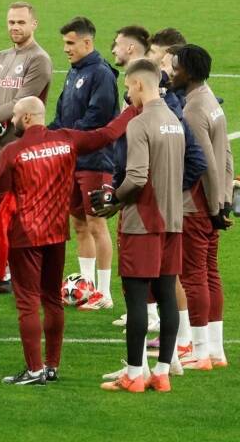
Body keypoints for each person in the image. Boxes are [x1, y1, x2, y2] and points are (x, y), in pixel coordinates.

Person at [0, 96, 135, 386]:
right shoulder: (66, 139)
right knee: (52, 300)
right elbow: (106, 134)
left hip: (25, 236)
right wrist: (132, 110)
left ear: (27, 118)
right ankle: (51, 366)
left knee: (28, 304)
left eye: (15, 115)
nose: (12, 121)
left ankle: (34, 370)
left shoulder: (13, 151)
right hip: (56, 232)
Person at [95, 59, 187, 393]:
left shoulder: (140, 123)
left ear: (137, 84)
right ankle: (161, 373)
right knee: (166, 295)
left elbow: (136, 178)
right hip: (173, 220)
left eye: (129, 88)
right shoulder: (175, 121)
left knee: (136, 299)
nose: (129, 95)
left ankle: (134, 374)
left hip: (144, 222)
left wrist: (113, 200)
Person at [0, 2, 53, 294]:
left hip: (22, 150)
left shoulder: (39, 59)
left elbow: (21, 104)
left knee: (15, 214)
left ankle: (16, 274)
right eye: (11, 22)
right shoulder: (0, 57)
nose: (15, 27)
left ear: (34, 24)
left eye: (21, 22)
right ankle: (3, 272)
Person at [49, 17, 119, 311]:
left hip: (96, 161)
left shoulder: (101, 73)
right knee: (79, 224)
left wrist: (64, 137)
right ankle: (87, 287)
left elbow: (97, 118)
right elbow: (61, 115)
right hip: (73, 161)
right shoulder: (74, 71)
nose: (66, 48)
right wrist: (45, 136)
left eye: (70, 43)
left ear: (87, 42)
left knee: (96, 223)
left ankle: (104, 293)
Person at [173, 45, 232, 370]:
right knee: (209, 272)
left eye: (176, 68)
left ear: (189, 72)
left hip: (196, 204)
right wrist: (224, 200)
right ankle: (215, 349)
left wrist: (212, 207)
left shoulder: (193, 109)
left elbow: (205, 162)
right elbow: (226, 155)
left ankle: (199, 352)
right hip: (212, 200)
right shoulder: (210, 100)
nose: (171, 74)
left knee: (193, 275)